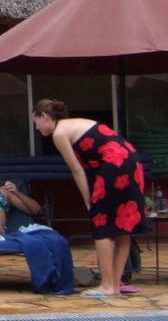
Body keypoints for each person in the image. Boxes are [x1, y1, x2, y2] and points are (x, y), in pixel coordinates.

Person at [32, 98, 151, 298]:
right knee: (123, 225)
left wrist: (89, 200)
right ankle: (114, 284)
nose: (36, 128)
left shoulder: (59, 133)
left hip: (115, 164)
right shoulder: (75, 123)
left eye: (36, 123)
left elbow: (77, 170)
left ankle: (107, 285)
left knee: (101, 223)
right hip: (131, 161)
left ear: (44, 116)